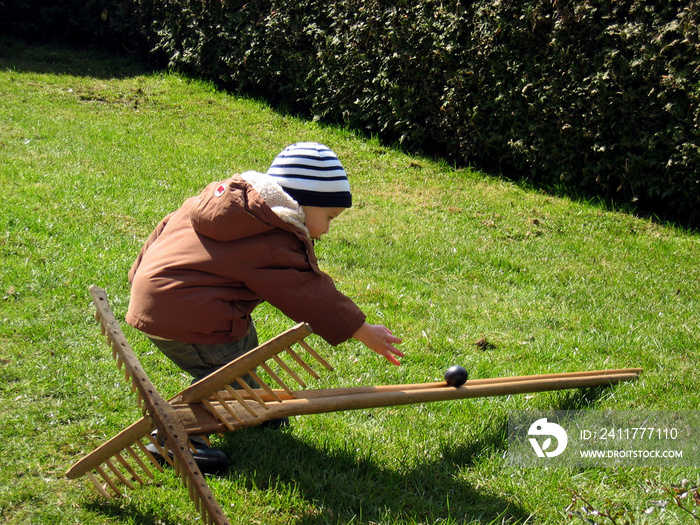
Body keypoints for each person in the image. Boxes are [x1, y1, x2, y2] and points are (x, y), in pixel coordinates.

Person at [126, 142, 403, 473]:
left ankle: (254, 407)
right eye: (329, 217)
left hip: (163, 299)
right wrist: (361, 330)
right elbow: (308, 293)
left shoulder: (228, 205)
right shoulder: (271, 237)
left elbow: (163, 230)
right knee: (226, 382)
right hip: (192, 316)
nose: (328, 229)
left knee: (242, 359)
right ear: (301, 203)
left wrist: (139, 281)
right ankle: (173, 439)